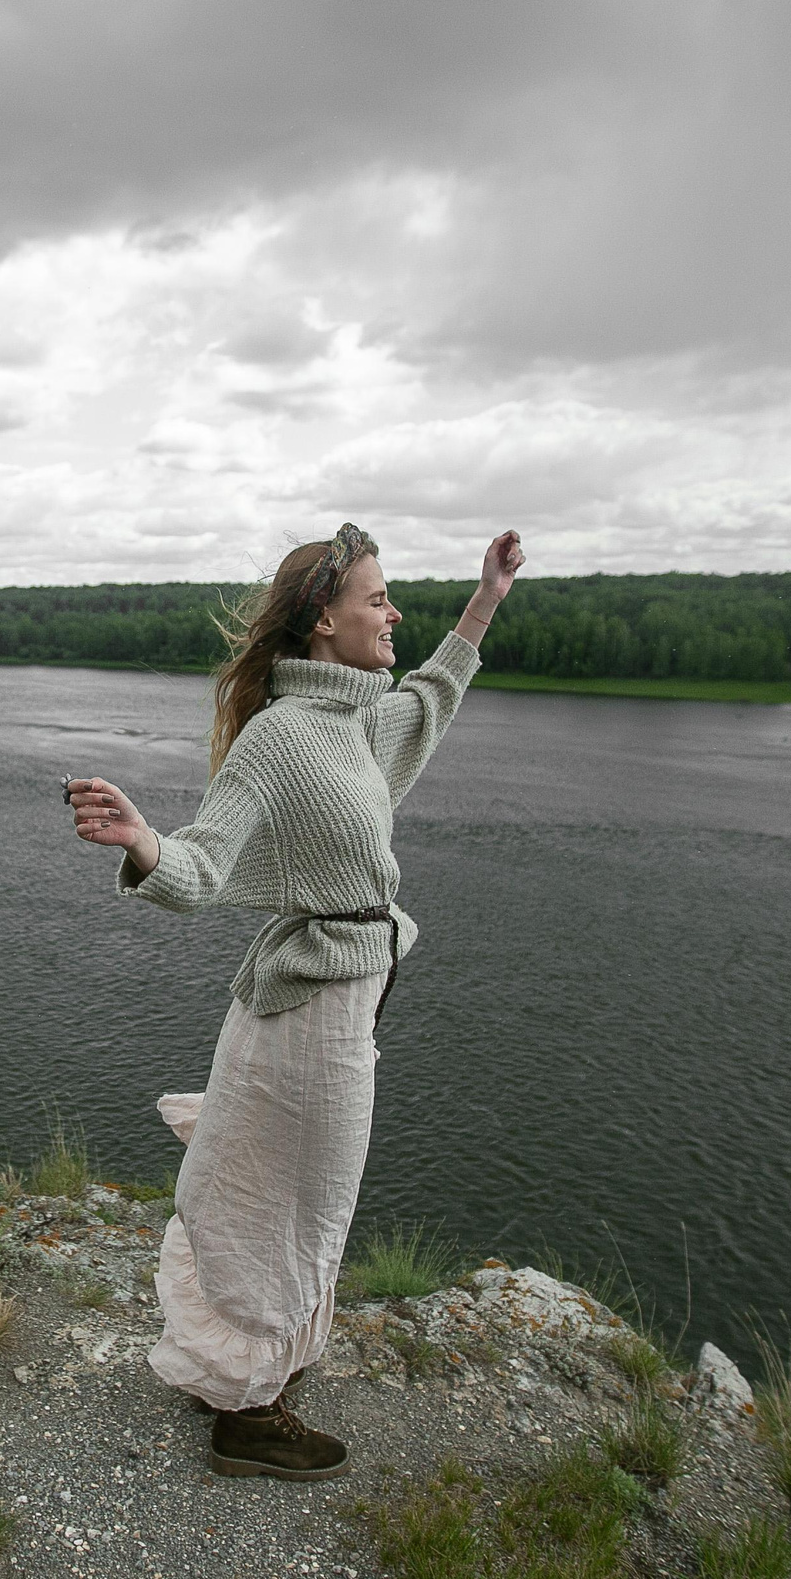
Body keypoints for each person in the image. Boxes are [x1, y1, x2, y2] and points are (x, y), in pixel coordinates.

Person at [65, 522, 525, 1481]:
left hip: (340, 1006)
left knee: (296, 1199)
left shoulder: (360, 726)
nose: (393, 612)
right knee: (294, 1209)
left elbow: (434, 696)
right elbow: (202, 864)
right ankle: (248, 1412)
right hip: (306, 1022)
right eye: (376, 598)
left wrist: (488, 596)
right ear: (325, 619)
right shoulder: (280, 738)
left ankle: (242, 1373)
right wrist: (144, 841)